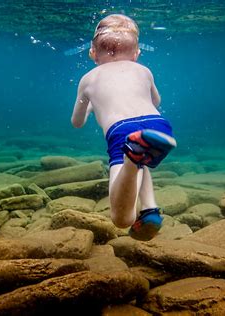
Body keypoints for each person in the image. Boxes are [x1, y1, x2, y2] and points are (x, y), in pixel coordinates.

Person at [71, 14, 177, 241]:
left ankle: (132, 157)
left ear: (92, 53)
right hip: (158, 125)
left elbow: (77, 122)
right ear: (137, 54)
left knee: (122, 219)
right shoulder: (144, 71)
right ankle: (150, 209)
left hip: (122, 131)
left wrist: (90, 107)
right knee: (143, 151)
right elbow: (156, 101)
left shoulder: (88, 78)